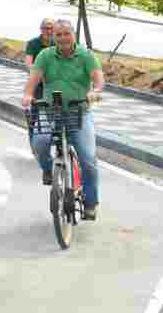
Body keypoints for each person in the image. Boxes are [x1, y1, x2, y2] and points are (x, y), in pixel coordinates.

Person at [20, 19, 105, 220]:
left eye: (66, 33)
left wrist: (95, 91)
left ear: (73, 34)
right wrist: (28, 95)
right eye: (58, 34)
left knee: (88, 159)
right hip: (50, 110)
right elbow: (33, 79)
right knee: (39, 143)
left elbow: (98, 79)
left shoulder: (86, 55)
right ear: (53, 37)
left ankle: (90, 202)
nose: (63, 38)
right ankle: (49, 170)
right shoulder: (45, 55)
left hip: (79, 112)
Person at [24, 18, 55, 100]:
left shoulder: (58, 43)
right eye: (46, 28)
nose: (49, 31)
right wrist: (38, 75)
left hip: (54, 81)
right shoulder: (32, 43)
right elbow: (28, 63)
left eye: (51, 28)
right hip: (37, 81)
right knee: (37, 104)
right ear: (41, 29)